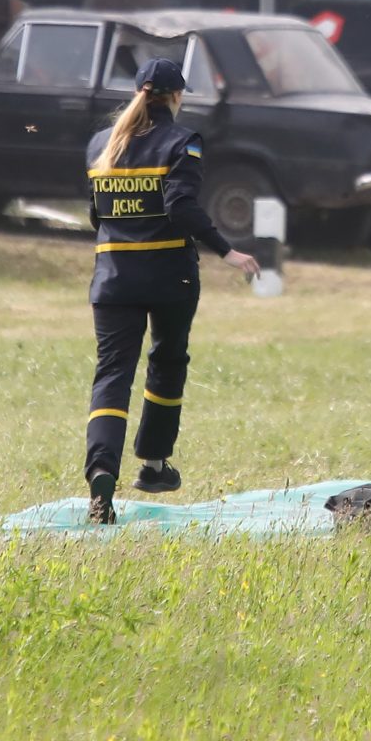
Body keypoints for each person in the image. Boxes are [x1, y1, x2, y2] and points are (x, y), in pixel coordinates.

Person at [83, 57, 261, 525]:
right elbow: (180, 205)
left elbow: (96, 216)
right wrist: (228, 252)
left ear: (139, 93)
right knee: (166, 361)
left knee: (112, 374)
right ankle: (154, 465)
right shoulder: (184, 141)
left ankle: (102, 469)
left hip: (112, 277)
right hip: (168, 277)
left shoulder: (101, 144)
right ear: (177, 97)